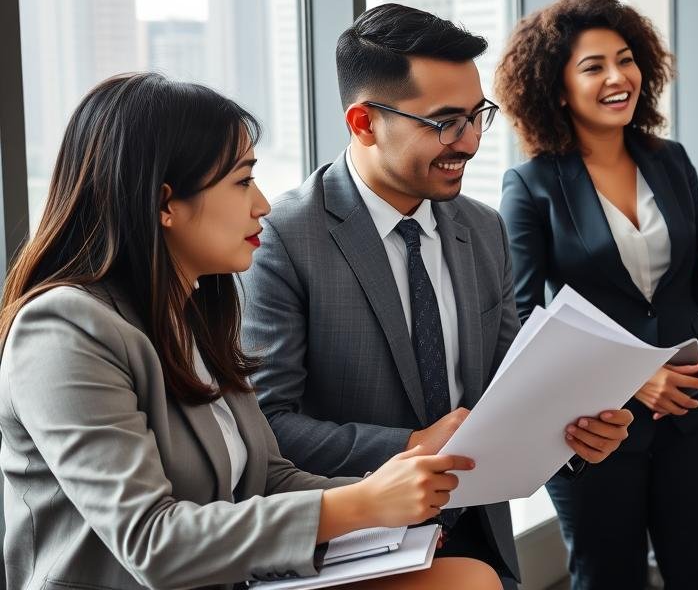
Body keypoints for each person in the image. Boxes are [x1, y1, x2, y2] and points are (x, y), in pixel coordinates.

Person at [0, 73, 500, 590]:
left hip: (237, 579)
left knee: (467, 577)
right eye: (242, 181)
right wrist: (361, 503)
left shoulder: (194, 316)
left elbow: (268, 477)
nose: (262, 203)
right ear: (165, 203)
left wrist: (392, 499)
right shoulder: (62, 330)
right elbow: (151, 542)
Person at [239, 4, 635, 588]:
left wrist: (573, 435)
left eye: (478, 116)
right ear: (364, 122)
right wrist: (411, 446)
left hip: (480, 531)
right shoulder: (283, 239)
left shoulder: (482, 228)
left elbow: (508, 387)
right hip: (361, 547)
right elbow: (267, 425)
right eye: (446, 122)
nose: (470, 142)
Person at [495, 0, 698, 589]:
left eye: (626, 59)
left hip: (691, 408)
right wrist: (633, 377)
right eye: (594, 66)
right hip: (592, 424)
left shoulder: (669, 159)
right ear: (557, 88)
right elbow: (521, 319)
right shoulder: (530, 186)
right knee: (608, 578)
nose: (618, 76)